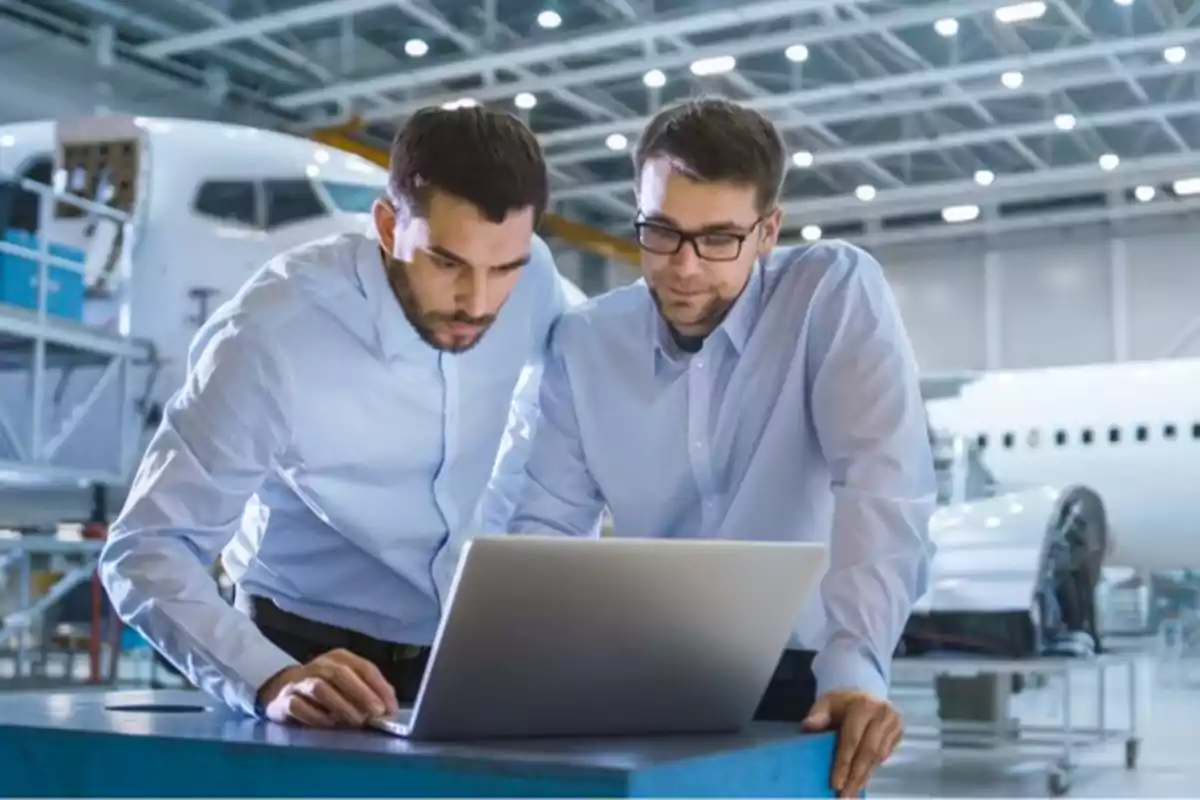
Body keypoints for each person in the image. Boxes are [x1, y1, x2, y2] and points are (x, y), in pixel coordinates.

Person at [494, 98, 936, 798]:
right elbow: (546, 526)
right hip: (639, 679)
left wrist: (855, 667)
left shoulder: (830, 291)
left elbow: (882, 485)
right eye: (661, 232)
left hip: (806, 680)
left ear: (768, 231)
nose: (685, 267)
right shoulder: (585, 344)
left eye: (720, 238)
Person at [100, 106, 573, 729]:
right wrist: (268, 678)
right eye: (446, 263)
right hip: (307, 651)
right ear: (386, 225)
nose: (478, 302)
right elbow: (147, 548)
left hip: (465, 649)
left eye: (502, 269)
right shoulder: (271, 336)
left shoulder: (535, 275)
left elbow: (555, 424)